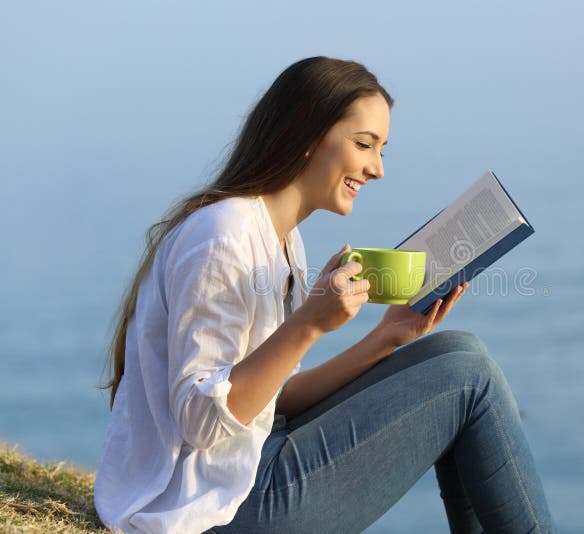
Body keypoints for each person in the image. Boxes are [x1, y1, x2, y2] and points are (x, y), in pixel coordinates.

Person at [95, 56, 555, 534]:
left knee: (458, 350)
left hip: (249, 473)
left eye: (382, 150)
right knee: (469, 377)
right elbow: (201, 422)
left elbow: (278, 397)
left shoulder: (281, 240)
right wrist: (308, 324)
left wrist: (386, 337)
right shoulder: (223, 235)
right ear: (309, 136)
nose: (376, 169)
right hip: (218, 509)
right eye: (364, 144)